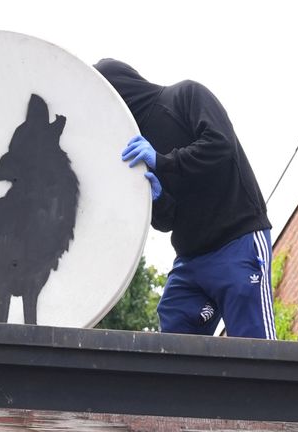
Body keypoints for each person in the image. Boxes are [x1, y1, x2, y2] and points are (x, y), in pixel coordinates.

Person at [94, 59, 276, 339]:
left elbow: (220, 146)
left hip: (237, 241)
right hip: (192, 259)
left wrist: (163, 161)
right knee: (176, 334)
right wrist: (157, 199)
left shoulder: (186, 95)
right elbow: (167, 221)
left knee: (254, 343)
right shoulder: (132, 147)